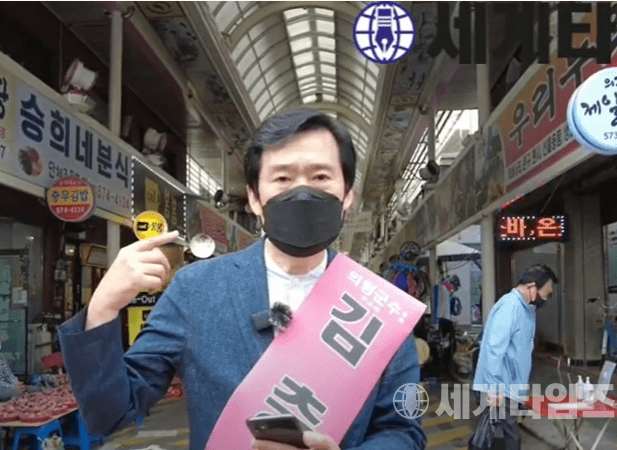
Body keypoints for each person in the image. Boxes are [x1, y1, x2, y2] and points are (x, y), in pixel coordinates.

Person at [58, 108, 426, 450]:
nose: (301, 191)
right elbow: (109, 415)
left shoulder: (381, 307)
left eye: (320, 177)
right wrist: (103, 307)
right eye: (282, 178)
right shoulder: (196, 289)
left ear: (347, 196)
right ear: (254, 197)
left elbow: (404, 430)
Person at [471, 264, 558, 450]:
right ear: (531, 286)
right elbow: (495, 349)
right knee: (508, 439)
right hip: (501, 389)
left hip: (511, 387)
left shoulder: (525, 309)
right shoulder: (510, 306)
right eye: (546, 293)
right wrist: (494, 390)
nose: (545, 298)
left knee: (504, 438)